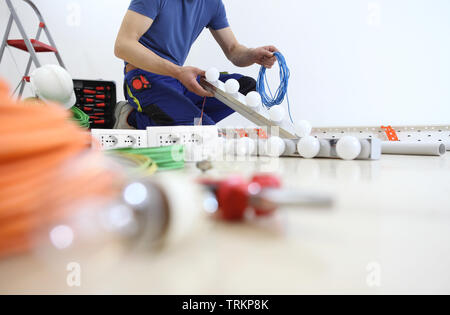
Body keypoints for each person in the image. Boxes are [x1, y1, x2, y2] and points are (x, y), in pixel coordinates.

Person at [114, 0, 278, 129]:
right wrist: (178, 71)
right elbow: (123, 45)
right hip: (144, 78)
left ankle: (178, 115)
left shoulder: (213, 4)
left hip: (178, 80)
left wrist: (251, 54)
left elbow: (233, 50)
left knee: (247, 89)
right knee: (202, 130)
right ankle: (130, 118)